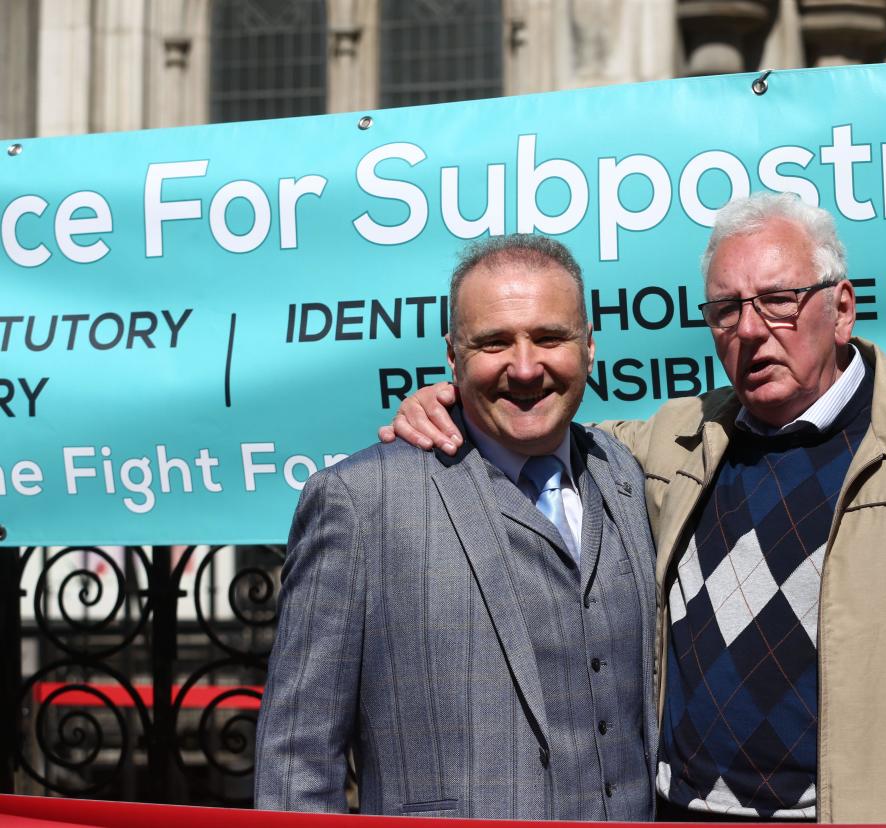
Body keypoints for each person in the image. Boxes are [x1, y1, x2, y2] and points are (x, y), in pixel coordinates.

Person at [381, 193, 886, 823]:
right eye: (726, 310)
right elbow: (536, 419)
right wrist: (453, 405)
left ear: (841, 310)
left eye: (777, 301)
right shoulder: (671, 442)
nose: (748, 330)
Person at [255, 235, 659, 819]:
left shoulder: (625, 472)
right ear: (453, 356)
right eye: (494, 342)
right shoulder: (360, 501)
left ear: (590, 345)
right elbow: (298, 758)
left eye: (550, 338)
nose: (525, 367)